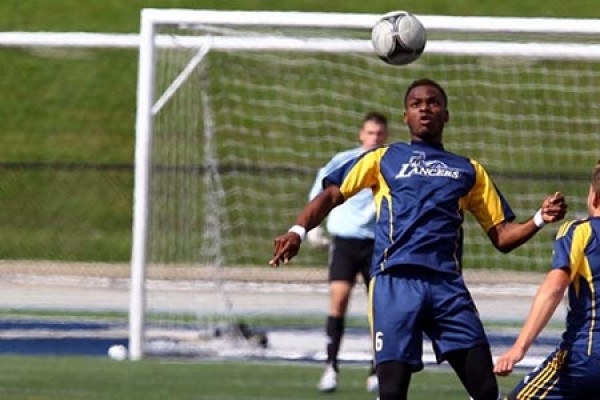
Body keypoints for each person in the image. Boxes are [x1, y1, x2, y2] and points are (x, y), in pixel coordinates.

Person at [269, 78, 567, 400]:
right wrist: (298, 230)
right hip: (394, 285)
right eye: (416, 104)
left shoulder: (469, 170)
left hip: (447, 289)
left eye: (433, 102)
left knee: (485, 390)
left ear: (446, 115)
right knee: (392, 392)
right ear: (405, 117)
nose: (425, 108)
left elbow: (503, 236)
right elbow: (330, 194)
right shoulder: (383, 159)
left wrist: (539, 218)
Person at [494, 161, 600, 399]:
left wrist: (518, 348)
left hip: (585, 357)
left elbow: (554, 287)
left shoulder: (580, 232)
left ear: (594, 198)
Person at [307, 112, 389, 393]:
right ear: (361, 134)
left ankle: (376, 369)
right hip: (345, 242)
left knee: (378, 308)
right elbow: (321, 189)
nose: (374, 138)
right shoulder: (344, 160)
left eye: (379, 134)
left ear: (385, 136)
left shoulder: (390, 164)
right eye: (370, 133)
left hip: (377, 244)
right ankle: (331, 367)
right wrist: (311, 227)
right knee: (338, 299)